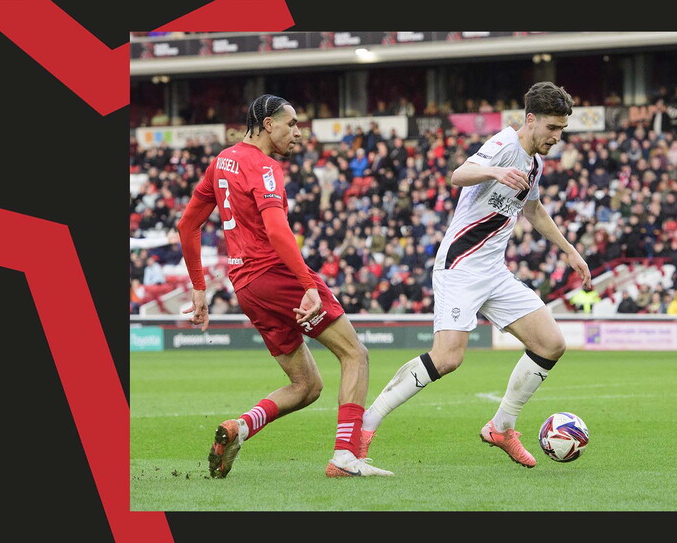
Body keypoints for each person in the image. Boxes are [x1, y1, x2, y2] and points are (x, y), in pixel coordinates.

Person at [359, 82, 591, 469]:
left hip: (493, 271)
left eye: (562, 130)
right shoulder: (505, 144)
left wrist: (569, 250)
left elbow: (532, 210)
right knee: (448, 358)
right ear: (530, 120)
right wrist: (496, 172)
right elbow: (458, 174)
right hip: (461, 266)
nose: (557, 136)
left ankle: (501, 427)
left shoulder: (535, 161)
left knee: (551, 343)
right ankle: (365, 427)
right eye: (552, 128)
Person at [177, 94, 393, 479]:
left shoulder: (222, 162)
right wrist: (307, 284)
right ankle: (345, 456)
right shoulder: (264, 167)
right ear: (267, 124)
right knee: (355, 355)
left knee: (307, 385)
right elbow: (277, 230)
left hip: (247, 287)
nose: (298, 132)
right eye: (291, 124)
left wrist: (198, 288)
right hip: (277, 275)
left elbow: (187, 225)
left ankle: (238, 428)